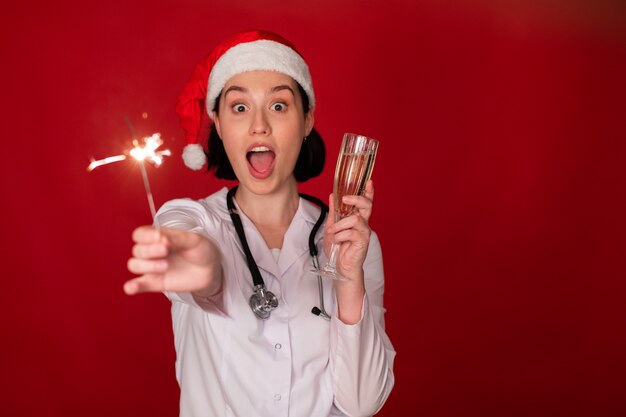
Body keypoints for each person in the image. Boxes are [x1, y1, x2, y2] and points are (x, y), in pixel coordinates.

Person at [125, 30, 395, 417]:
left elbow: (364, 402)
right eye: (239, 108)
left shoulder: (353, 241)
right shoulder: (192, 218)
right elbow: (192, 253)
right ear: (217, 122)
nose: (259, 126)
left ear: (307, 121)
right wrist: (200, 265)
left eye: (279, 106)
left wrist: (349, 279)